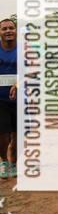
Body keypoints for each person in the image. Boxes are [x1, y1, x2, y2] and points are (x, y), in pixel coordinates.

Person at [0, 18, 17, 179]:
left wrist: (18, 84)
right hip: (1, 100)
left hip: (21, 100)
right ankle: (4, 161)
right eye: (4, 28)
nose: (8, 31)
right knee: (3, 133)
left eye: (11, 28)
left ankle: (14, 163)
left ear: (16, 30)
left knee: (17, 135)